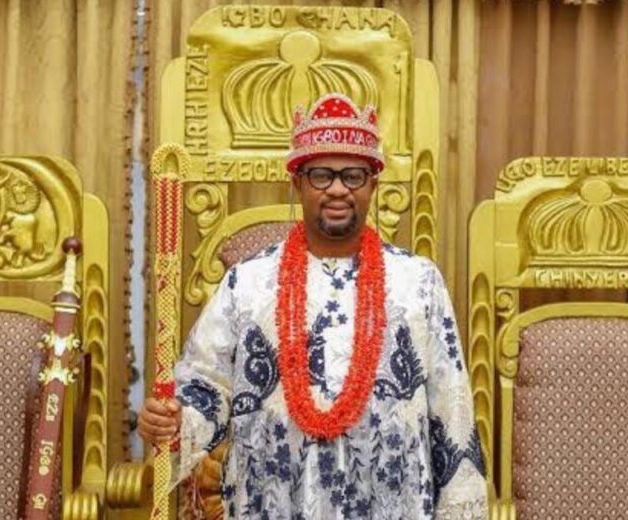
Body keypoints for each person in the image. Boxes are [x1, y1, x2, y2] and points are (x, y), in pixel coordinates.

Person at [138, 93, 488, 518]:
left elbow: (452, 416)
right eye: (321, 175)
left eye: (353, 175)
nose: (338, 189)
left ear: (373, 184)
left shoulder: (420, 283)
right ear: (298, 183)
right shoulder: (247, 283)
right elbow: (206, 389)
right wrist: (175, 422)